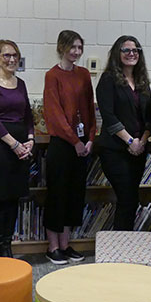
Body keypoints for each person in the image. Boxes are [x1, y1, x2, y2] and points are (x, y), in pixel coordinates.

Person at [42, 30, 95, 264]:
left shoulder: (83, 75)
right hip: (62, 145)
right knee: (57, 195)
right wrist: (74, 141)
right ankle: (53, 246)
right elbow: (54, 113)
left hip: (82, 145)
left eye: (79, 48)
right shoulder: (52, 76)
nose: (76, 52)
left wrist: (90, 137)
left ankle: (66, 244)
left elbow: (90, 109)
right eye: (72, 47)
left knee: (75, 195)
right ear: (61, 47)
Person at [0, 39, 34, 258]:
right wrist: (14, 145)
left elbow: (28, 115)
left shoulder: (20, 83)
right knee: (0, 197)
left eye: (15, 55)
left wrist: (30, 139)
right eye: (6, 55)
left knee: (14, 197)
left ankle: (8, 244)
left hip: (21, 145)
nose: (11, 59)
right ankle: (0, 248)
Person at [95, 35, 151, 230]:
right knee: (126, 197)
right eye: (126, 50)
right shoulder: (108, 79)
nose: (131, 53)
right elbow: (109, 117)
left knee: (132, 198)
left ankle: (126, 245)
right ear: (116, 53)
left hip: (139, 150)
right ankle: (121, 249)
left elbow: (149, 119)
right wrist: (131, 142)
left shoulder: (142, 81)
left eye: (135, 50)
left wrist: (141, 142)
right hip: (115, 150)